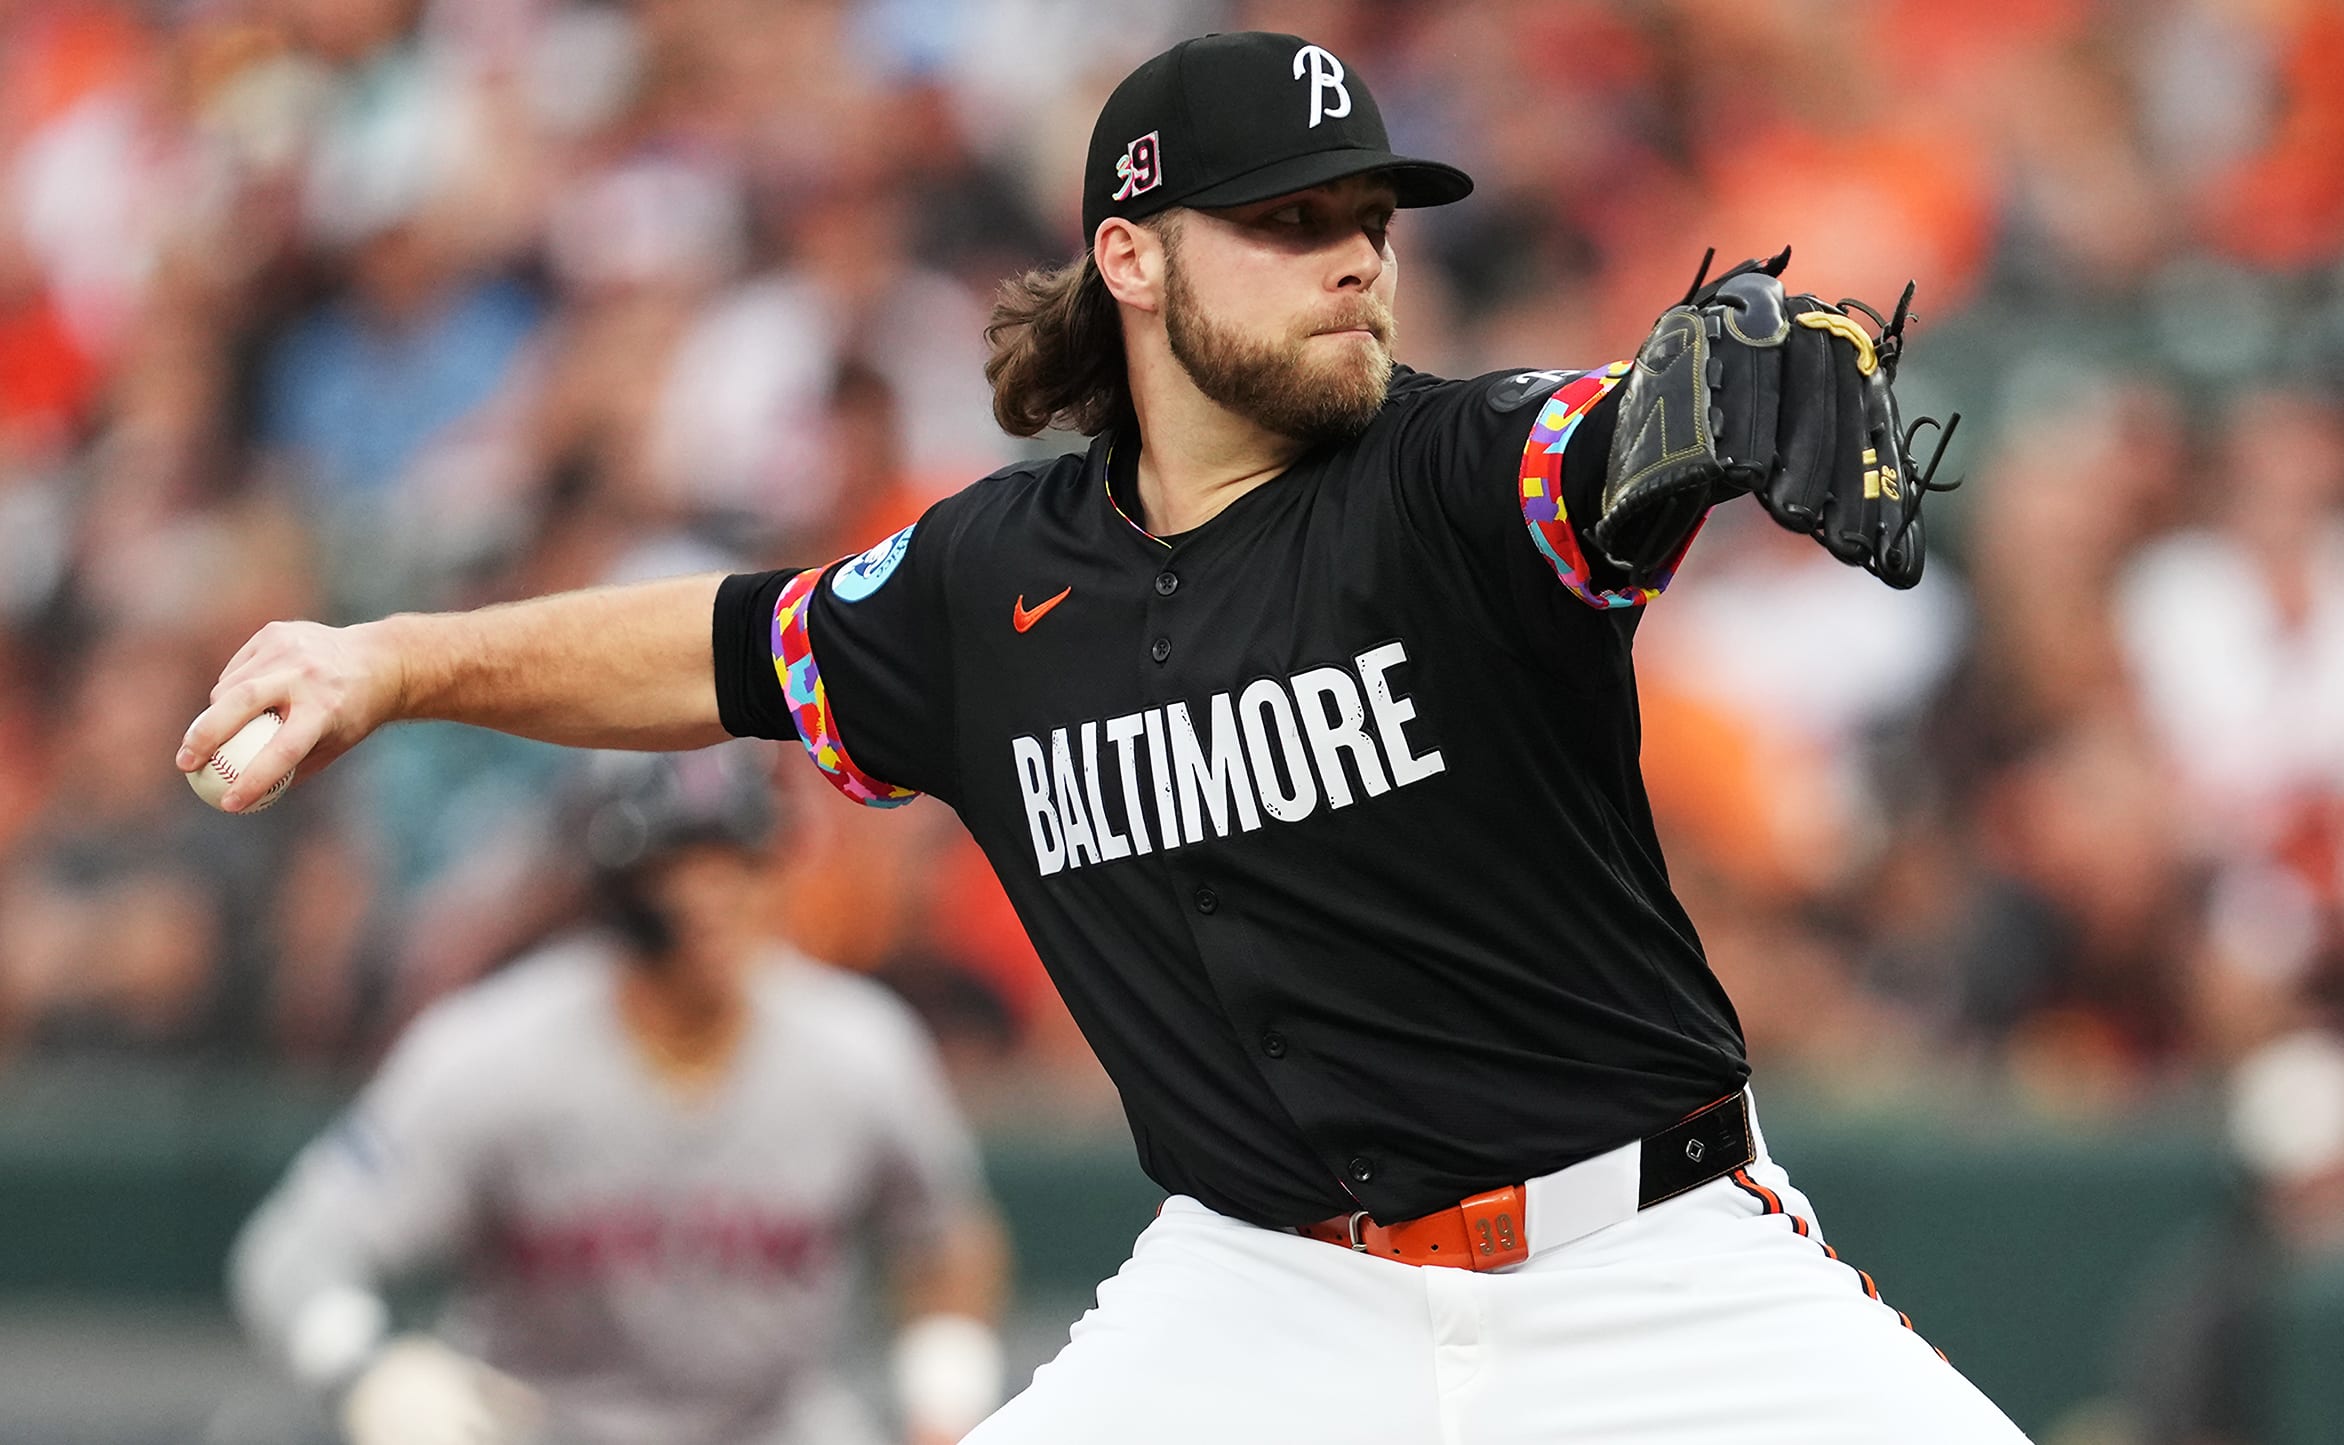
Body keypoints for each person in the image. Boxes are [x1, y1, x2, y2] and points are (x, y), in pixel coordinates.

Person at [185, 31, 2019, 1443]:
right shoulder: (990, 581)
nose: (1351, 262)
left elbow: (1598, 447)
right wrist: (398, 661)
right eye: (1287, 222)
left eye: (1368, 222)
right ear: (1130, 258)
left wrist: (1724, 386)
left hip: (1647, 1261)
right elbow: (723, 648)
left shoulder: (1456, 474)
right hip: (1262, 1294)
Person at [228, 744, 1009, 1445]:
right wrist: (367, 1369)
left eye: (738, 856)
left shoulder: (859, 1048)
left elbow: (944, 1238)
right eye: (678, 861)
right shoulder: (494, 1051)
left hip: (776, 1427)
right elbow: (294, 1250)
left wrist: (944, 1403)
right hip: (544, 1428)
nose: (714, 893)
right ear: (614, 883)